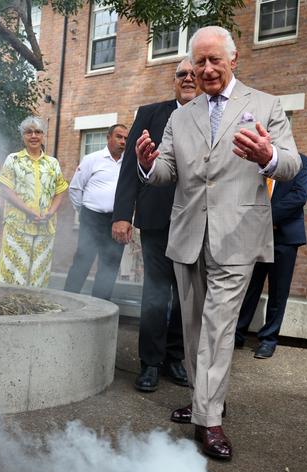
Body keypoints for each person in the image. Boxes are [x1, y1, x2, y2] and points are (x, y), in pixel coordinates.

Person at [136, 26, 301, 460]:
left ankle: (208, 420)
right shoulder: (181, 115)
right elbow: (167, 169)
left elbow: (291, 162)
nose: (206, 69)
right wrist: (148, 166)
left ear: (233, 59)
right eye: (199, 62)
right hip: (189, 234)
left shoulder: (265, 105)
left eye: (214, 60)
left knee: (218, 328)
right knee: (192, 329)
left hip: (237, 235)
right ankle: (204, 399)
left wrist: (268, 157)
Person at [112, 59, 198, 392]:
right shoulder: (150, 113)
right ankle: (149, 362)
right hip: (157, 220)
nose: (188, 78)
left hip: (196, 222)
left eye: (193, 74)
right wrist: (122, 214)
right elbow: (130, 167)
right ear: (174, 81)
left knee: (185, 295)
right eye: (182, 74)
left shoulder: (214, 115)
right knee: (156, 294)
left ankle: (175, 358)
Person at [235, 153, 307, 358]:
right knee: (250, 286)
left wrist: (265, 217)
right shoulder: (254, 160)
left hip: (285, 237)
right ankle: (237, 334)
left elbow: (299, 196)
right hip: (254, 234)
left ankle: (268, 340)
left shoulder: (301, 162)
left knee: (278, 290)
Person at [0, 116, 68, 287]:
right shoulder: (13, 160)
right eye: (29, 132)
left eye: (38, 132)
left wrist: (50, 213)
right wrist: (29, 211)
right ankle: (9, 309)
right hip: (17, 227)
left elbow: (61, 191)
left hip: (44, 227)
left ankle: (33, 310)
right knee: (13, 270)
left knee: (39, 273)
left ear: (43, 136)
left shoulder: (53, 164)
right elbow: (5, 190)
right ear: (23, 136)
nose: (34, 135)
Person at [64, 124, 129, 300]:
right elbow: (75, 189)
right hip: (92, 218)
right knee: (83, 260)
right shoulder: (92, 159)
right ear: (108, 138)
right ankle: (67, 302)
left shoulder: (129, 163)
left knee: (110, 264)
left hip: (117, 221)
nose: (122, 141)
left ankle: (100, 308)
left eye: (125, 138)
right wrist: (84, 212)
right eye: (118, 136)